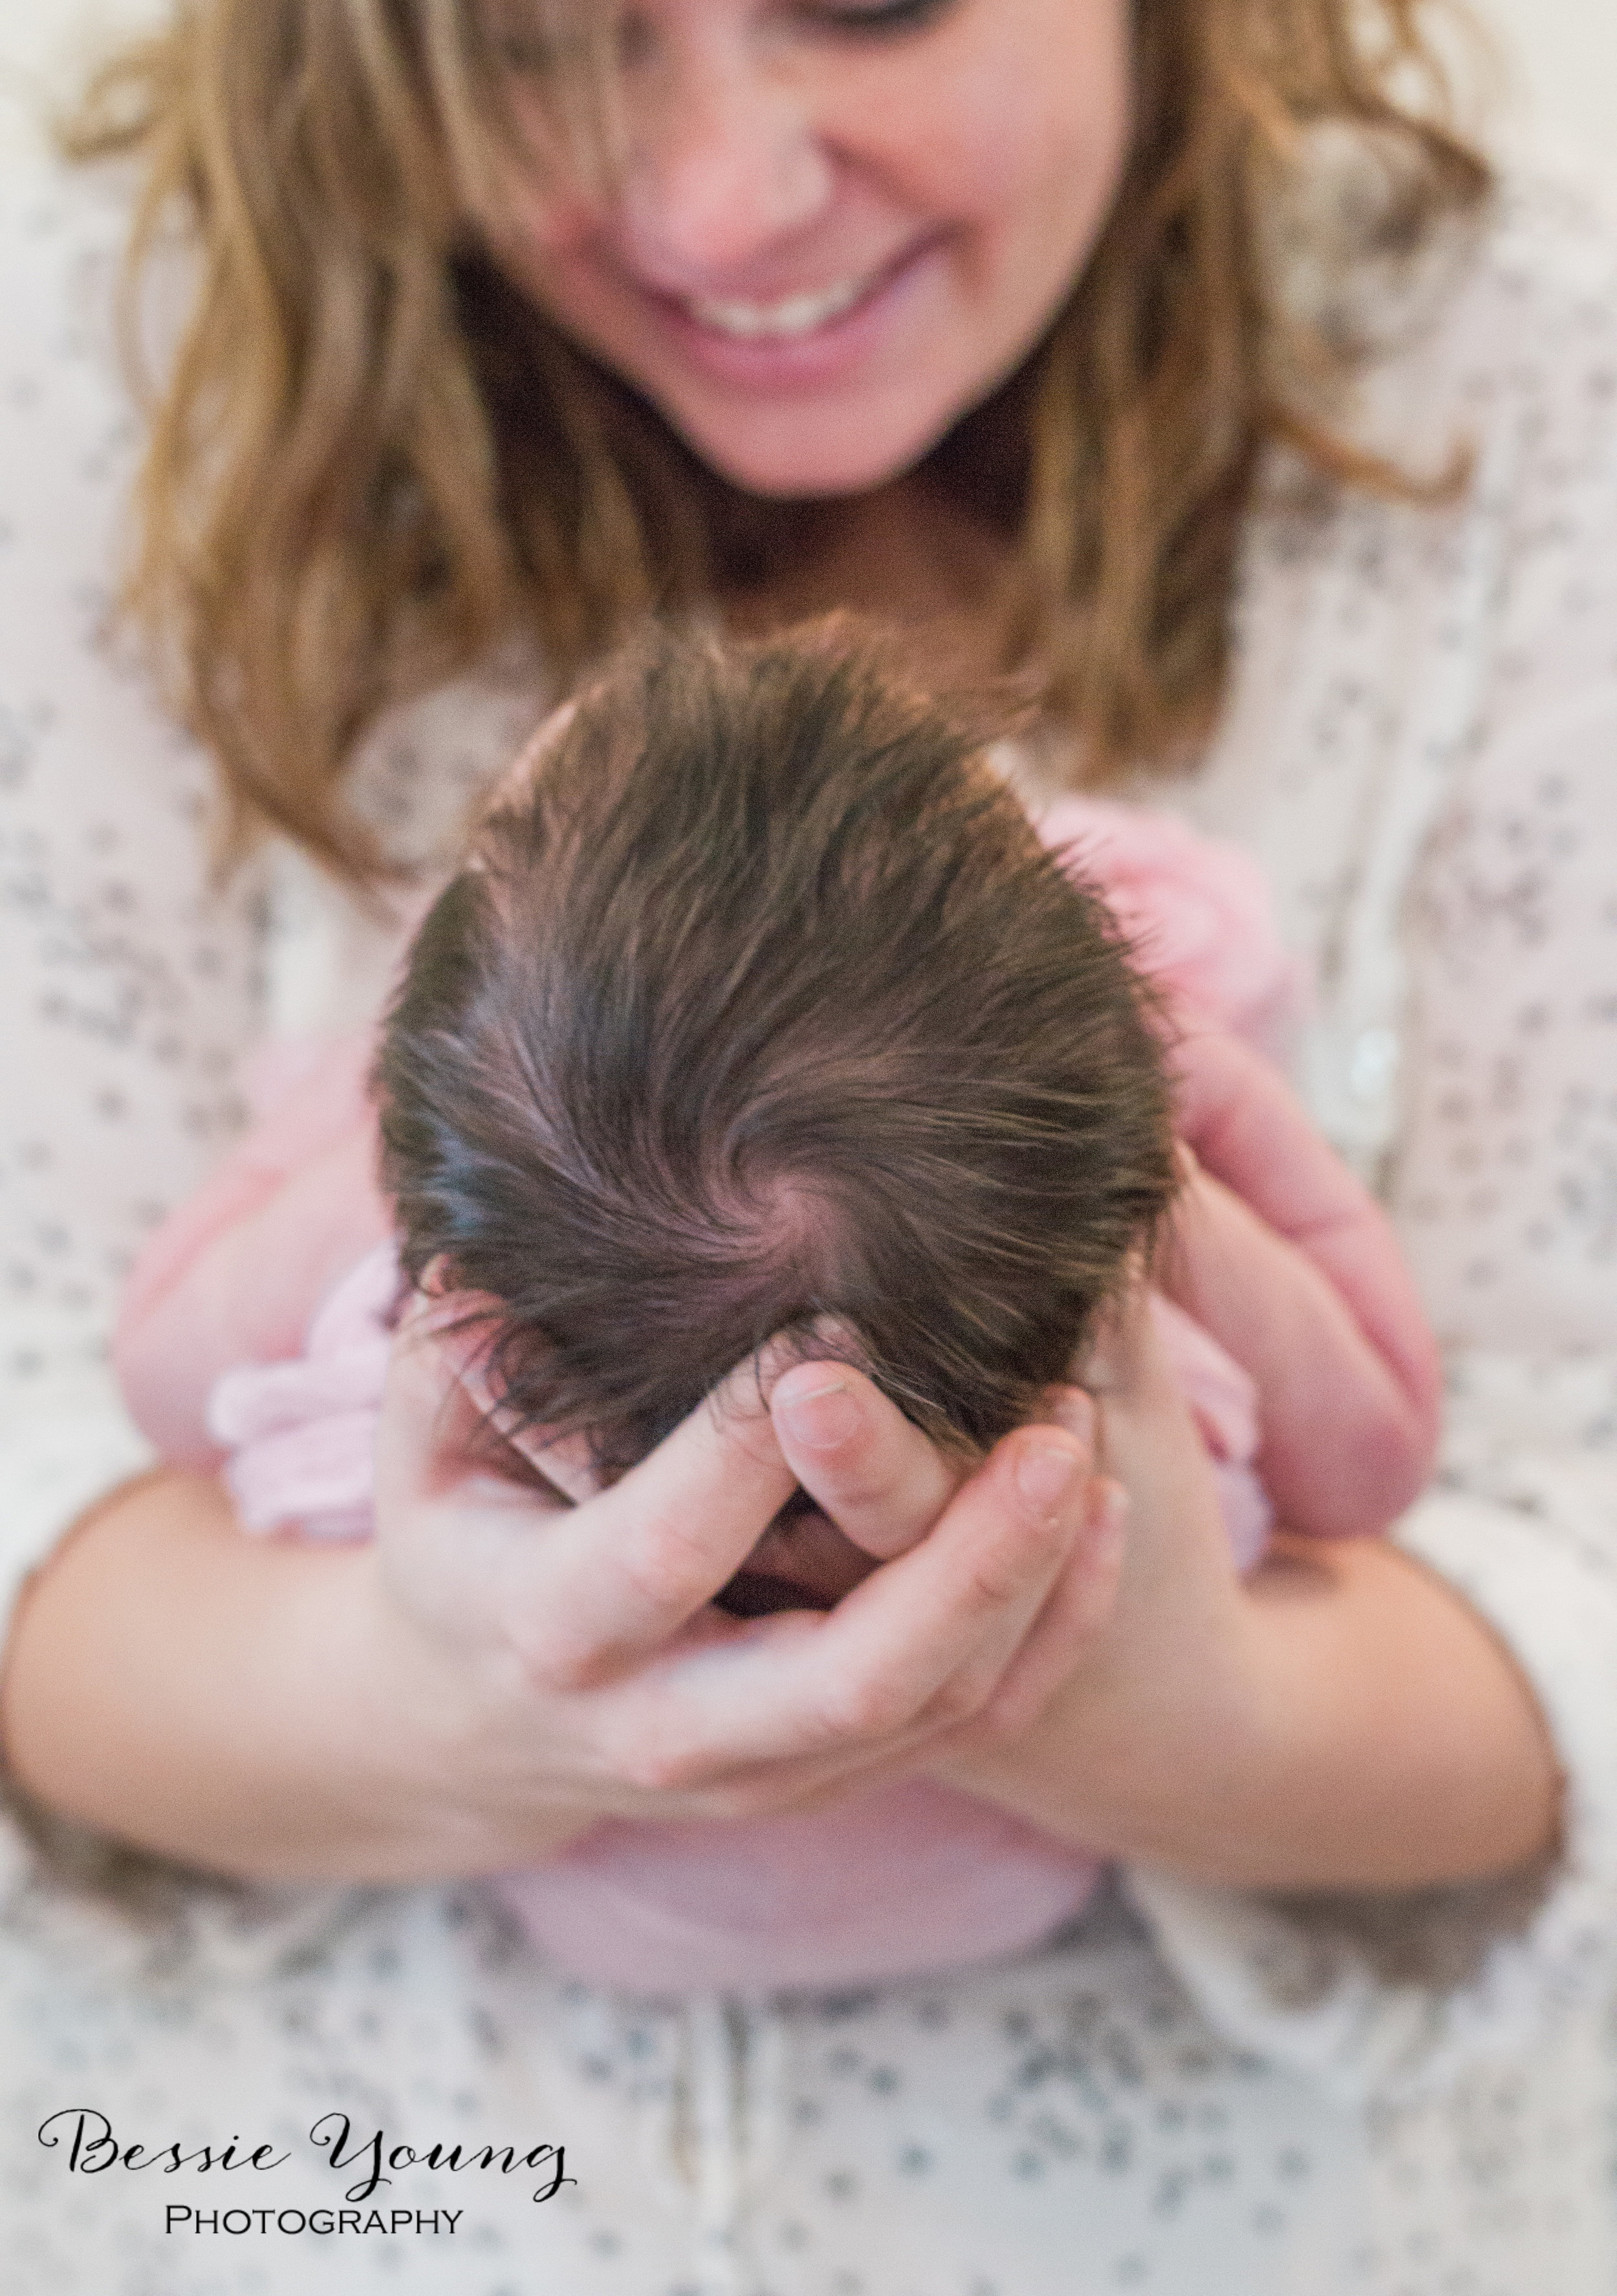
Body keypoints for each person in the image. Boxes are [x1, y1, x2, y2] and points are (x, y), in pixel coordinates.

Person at [0, 0, 1612, 2286]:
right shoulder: (105, 386)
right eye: (535, 39)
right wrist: (457, 1707)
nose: (717, 196)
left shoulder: (1521, 425)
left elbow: (143, 1365)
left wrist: (1162, 1712)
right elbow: (1385, 1442)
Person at [110, 622, 1438, 1993]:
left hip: (576, 1918)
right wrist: (1207, 1159)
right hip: (1034, 1896)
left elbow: (155, 1375)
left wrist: (370, 1134)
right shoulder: (1159, 1431)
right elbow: (1374, 1459)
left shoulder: (386, 1413)